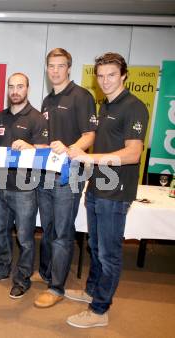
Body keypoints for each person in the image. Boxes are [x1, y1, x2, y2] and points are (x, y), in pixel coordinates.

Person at [66, 52, 148, 328]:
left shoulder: (133, 107)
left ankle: (99, 310)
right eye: (100, 75)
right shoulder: (105, 106)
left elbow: (133, 153)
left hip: (116, 194)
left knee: (108, 253)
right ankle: (91, 291)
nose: (105, 80)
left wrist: (89, 158)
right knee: (94, 246)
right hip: (98, 188)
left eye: (111, 74)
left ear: (124, 75)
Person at [34, 48, 97, 308]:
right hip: (47, 173)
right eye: (51, 66)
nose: (55, 70)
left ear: (69, 68)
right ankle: (47, 272)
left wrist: (70, 149)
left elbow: (90, 135)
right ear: (47, 68)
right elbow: (46, 140)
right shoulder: (47, 100)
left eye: (60, 66)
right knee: (47, 228)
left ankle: (56, 287)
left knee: (62, 232)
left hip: (69, 176)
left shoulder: (82, 96)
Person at [0, 73, 48, 299]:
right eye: (11, 87)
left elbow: (45, 151)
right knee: (0, 232)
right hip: (0, 186)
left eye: (20, 86)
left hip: (25, 190)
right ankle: (0, 270)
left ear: (27, 89)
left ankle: (22, 279)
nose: (15, 91)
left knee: (25, 238)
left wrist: (31, 146)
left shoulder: (37, 119)